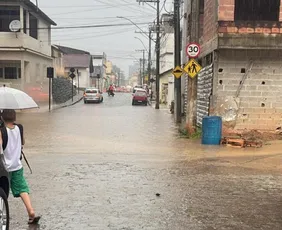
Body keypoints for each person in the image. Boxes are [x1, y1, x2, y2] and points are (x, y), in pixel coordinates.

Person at [0, 109, 40, 225]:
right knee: (23, 189)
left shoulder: (2, 131)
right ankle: (31, 211)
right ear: (15, 118)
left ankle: (3, 211)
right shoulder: (19, 128)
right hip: (17, 166)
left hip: (4, 168)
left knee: (3, 193)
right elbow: (22, 142)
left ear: (2, 118)